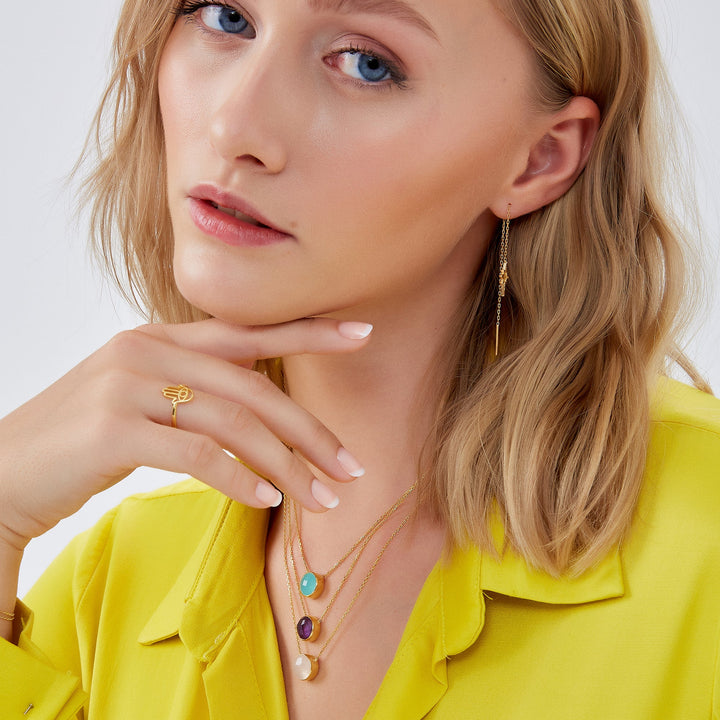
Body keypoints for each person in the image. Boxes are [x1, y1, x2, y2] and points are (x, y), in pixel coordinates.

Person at [0, 0, 718, 717]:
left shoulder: (704, 544)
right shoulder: (107, 589)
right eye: (225, 18)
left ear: (541, 158)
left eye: (367, 63)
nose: (234, 127)